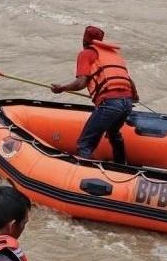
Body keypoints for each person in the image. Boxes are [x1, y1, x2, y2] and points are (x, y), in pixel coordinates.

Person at [50, 25, 138, 164]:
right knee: (114, 134)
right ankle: (122, 166)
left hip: (110, 104)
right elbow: (129, 81)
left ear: (84, 40)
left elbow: (81, 82)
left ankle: (86, 177)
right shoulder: (113, 55)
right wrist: (133, 98)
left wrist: (62, 88)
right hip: (127, 103)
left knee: (84, 144)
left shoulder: (86, 53)